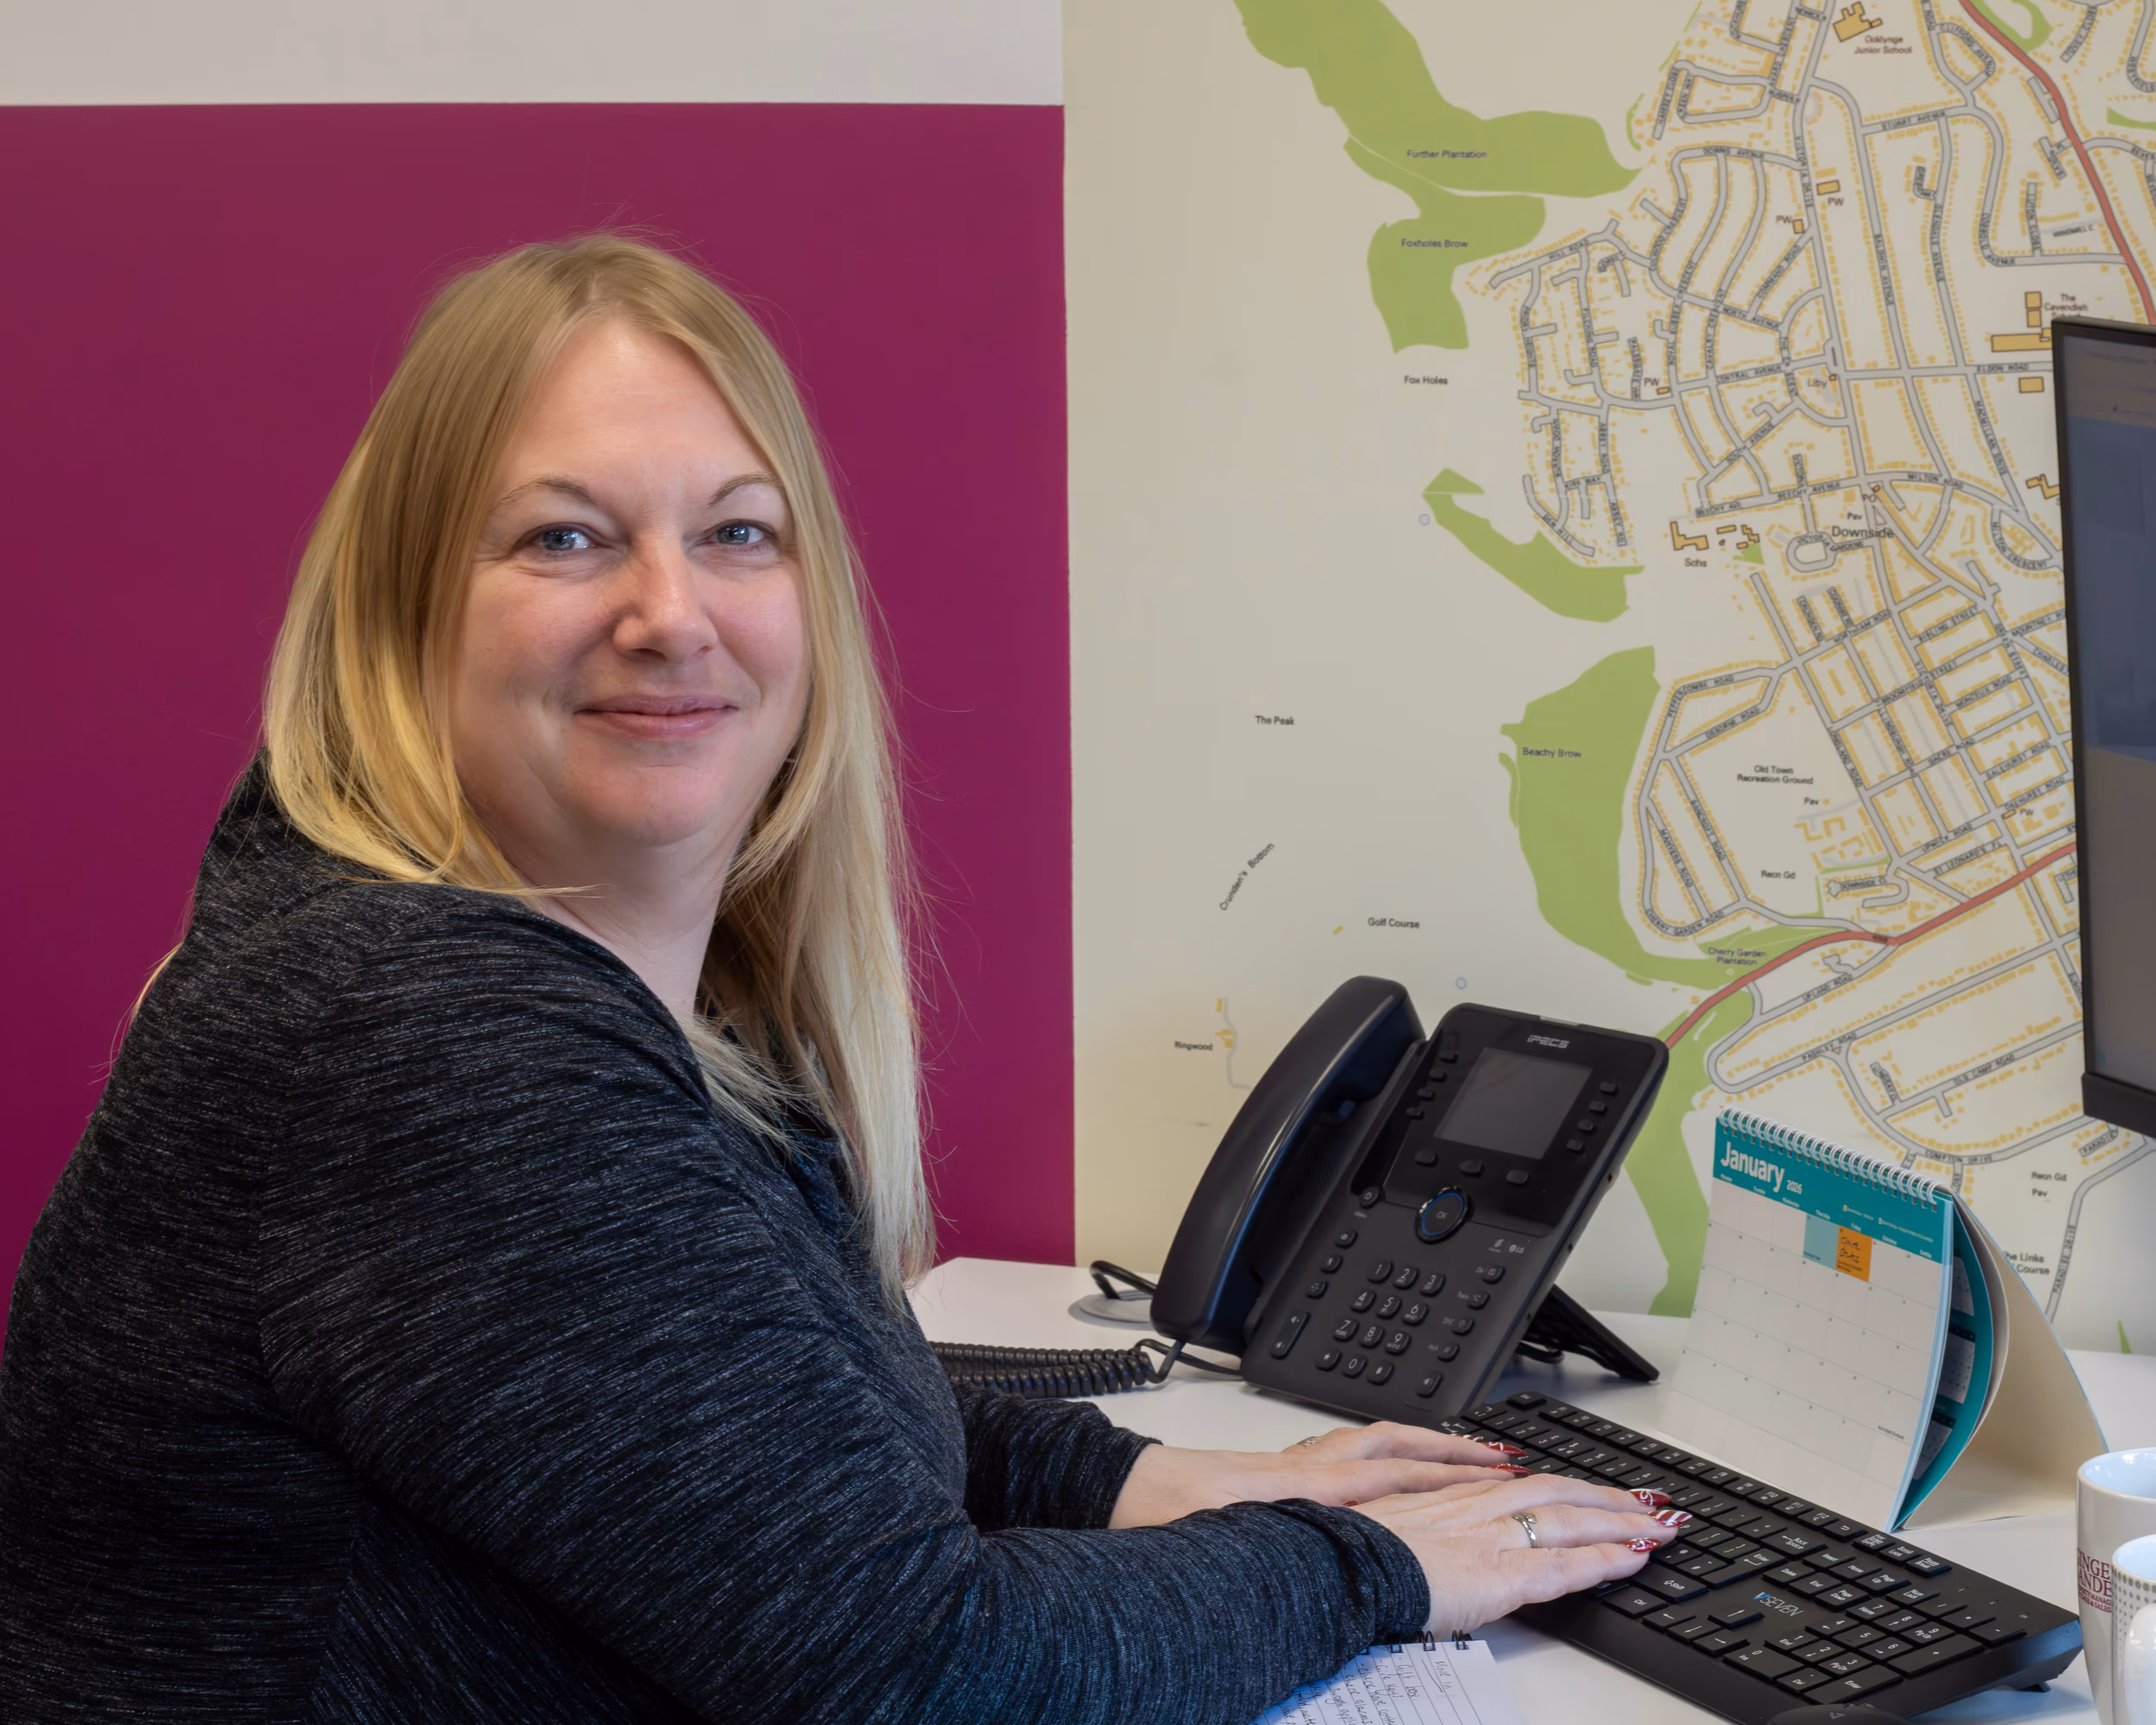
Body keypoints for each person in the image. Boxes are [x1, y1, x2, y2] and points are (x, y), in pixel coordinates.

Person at [0, 237, 1682, 1722]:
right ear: (403, 617)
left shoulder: (655, 996)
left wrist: (1143, 1475)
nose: (671, 613)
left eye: (737, 533)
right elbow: (913, 1671)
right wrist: (1356, 1566)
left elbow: (766, 1420)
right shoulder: (416, 1030)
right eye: (567, 539)